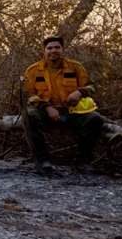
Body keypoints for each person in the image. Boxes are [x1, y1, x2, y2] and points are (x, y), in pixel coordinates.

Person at [23, 35, 104, 174]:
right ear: (44, 51)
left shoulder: (75, 67)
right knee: (29, 116)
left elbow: (92, 86)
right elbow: (29, 95)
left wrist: (80, 92)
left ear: (62, 49)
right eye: (49, 48)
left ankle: (83, 161)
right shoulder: (33, 70)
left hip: (72, 111)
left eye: (57, 47)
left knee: (96, 119)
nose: (53, 50)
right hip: (45, 112)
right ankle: (43, 161)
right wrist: (47, 107)